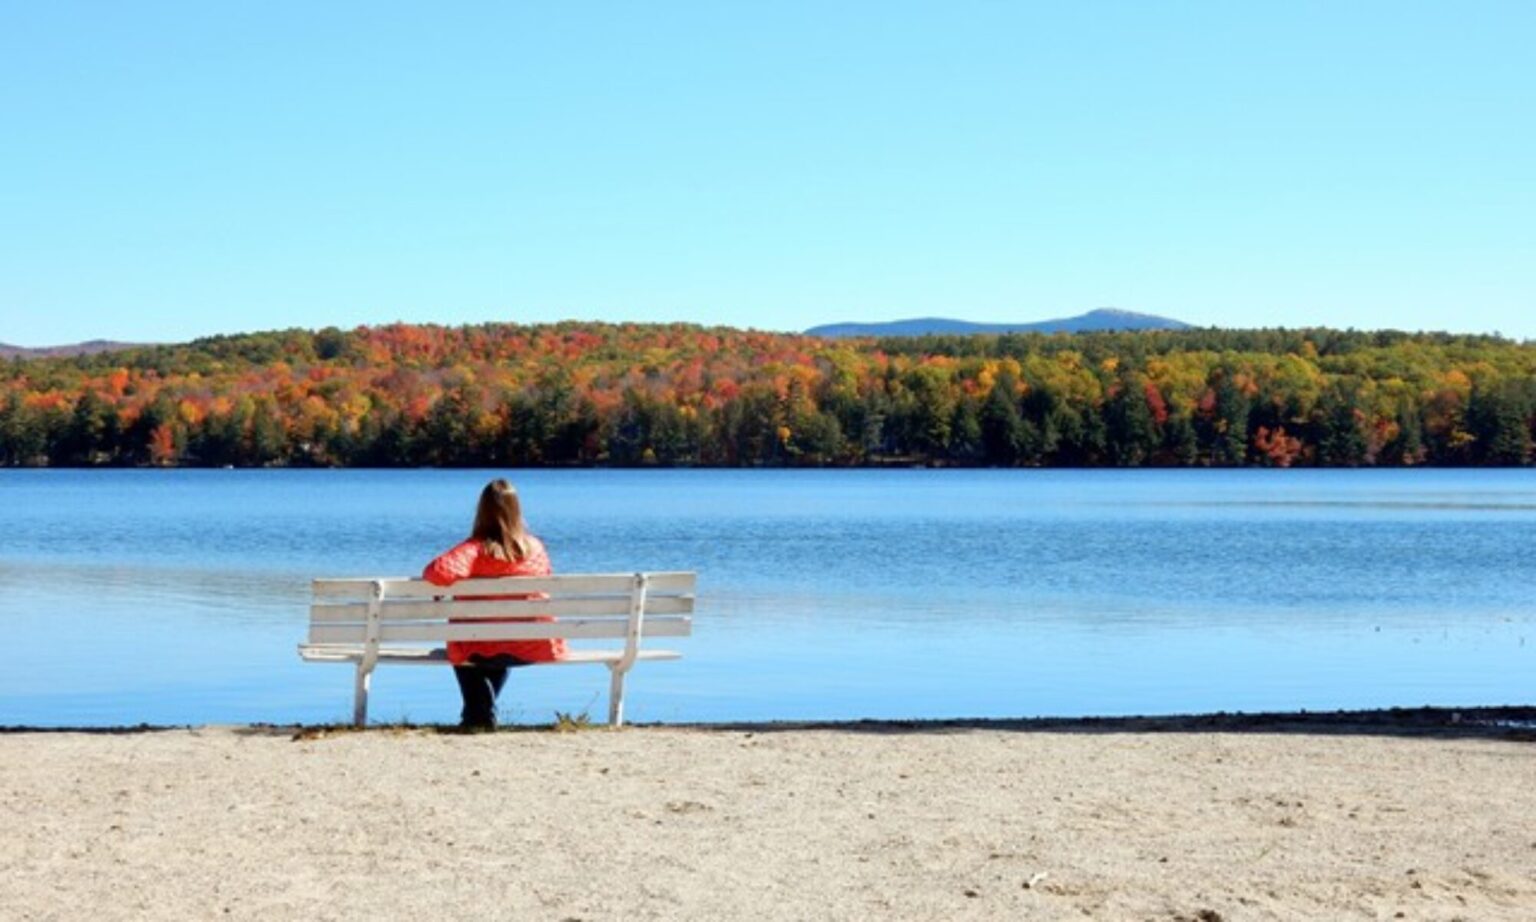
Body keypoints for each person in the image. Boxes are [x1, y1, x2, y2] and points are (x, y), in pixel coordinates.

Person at [422, 478, 566, 729]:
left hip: (478, 644)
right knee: (498, 639)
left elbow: (436, 572)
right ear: (516, 510)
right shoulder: (535, 548)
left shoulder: (475, 549)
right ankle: (477, 716)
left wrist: (450, 587)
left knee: (467, 642)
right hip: (532, 644)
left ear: (482, 511)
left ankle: (478, 716)